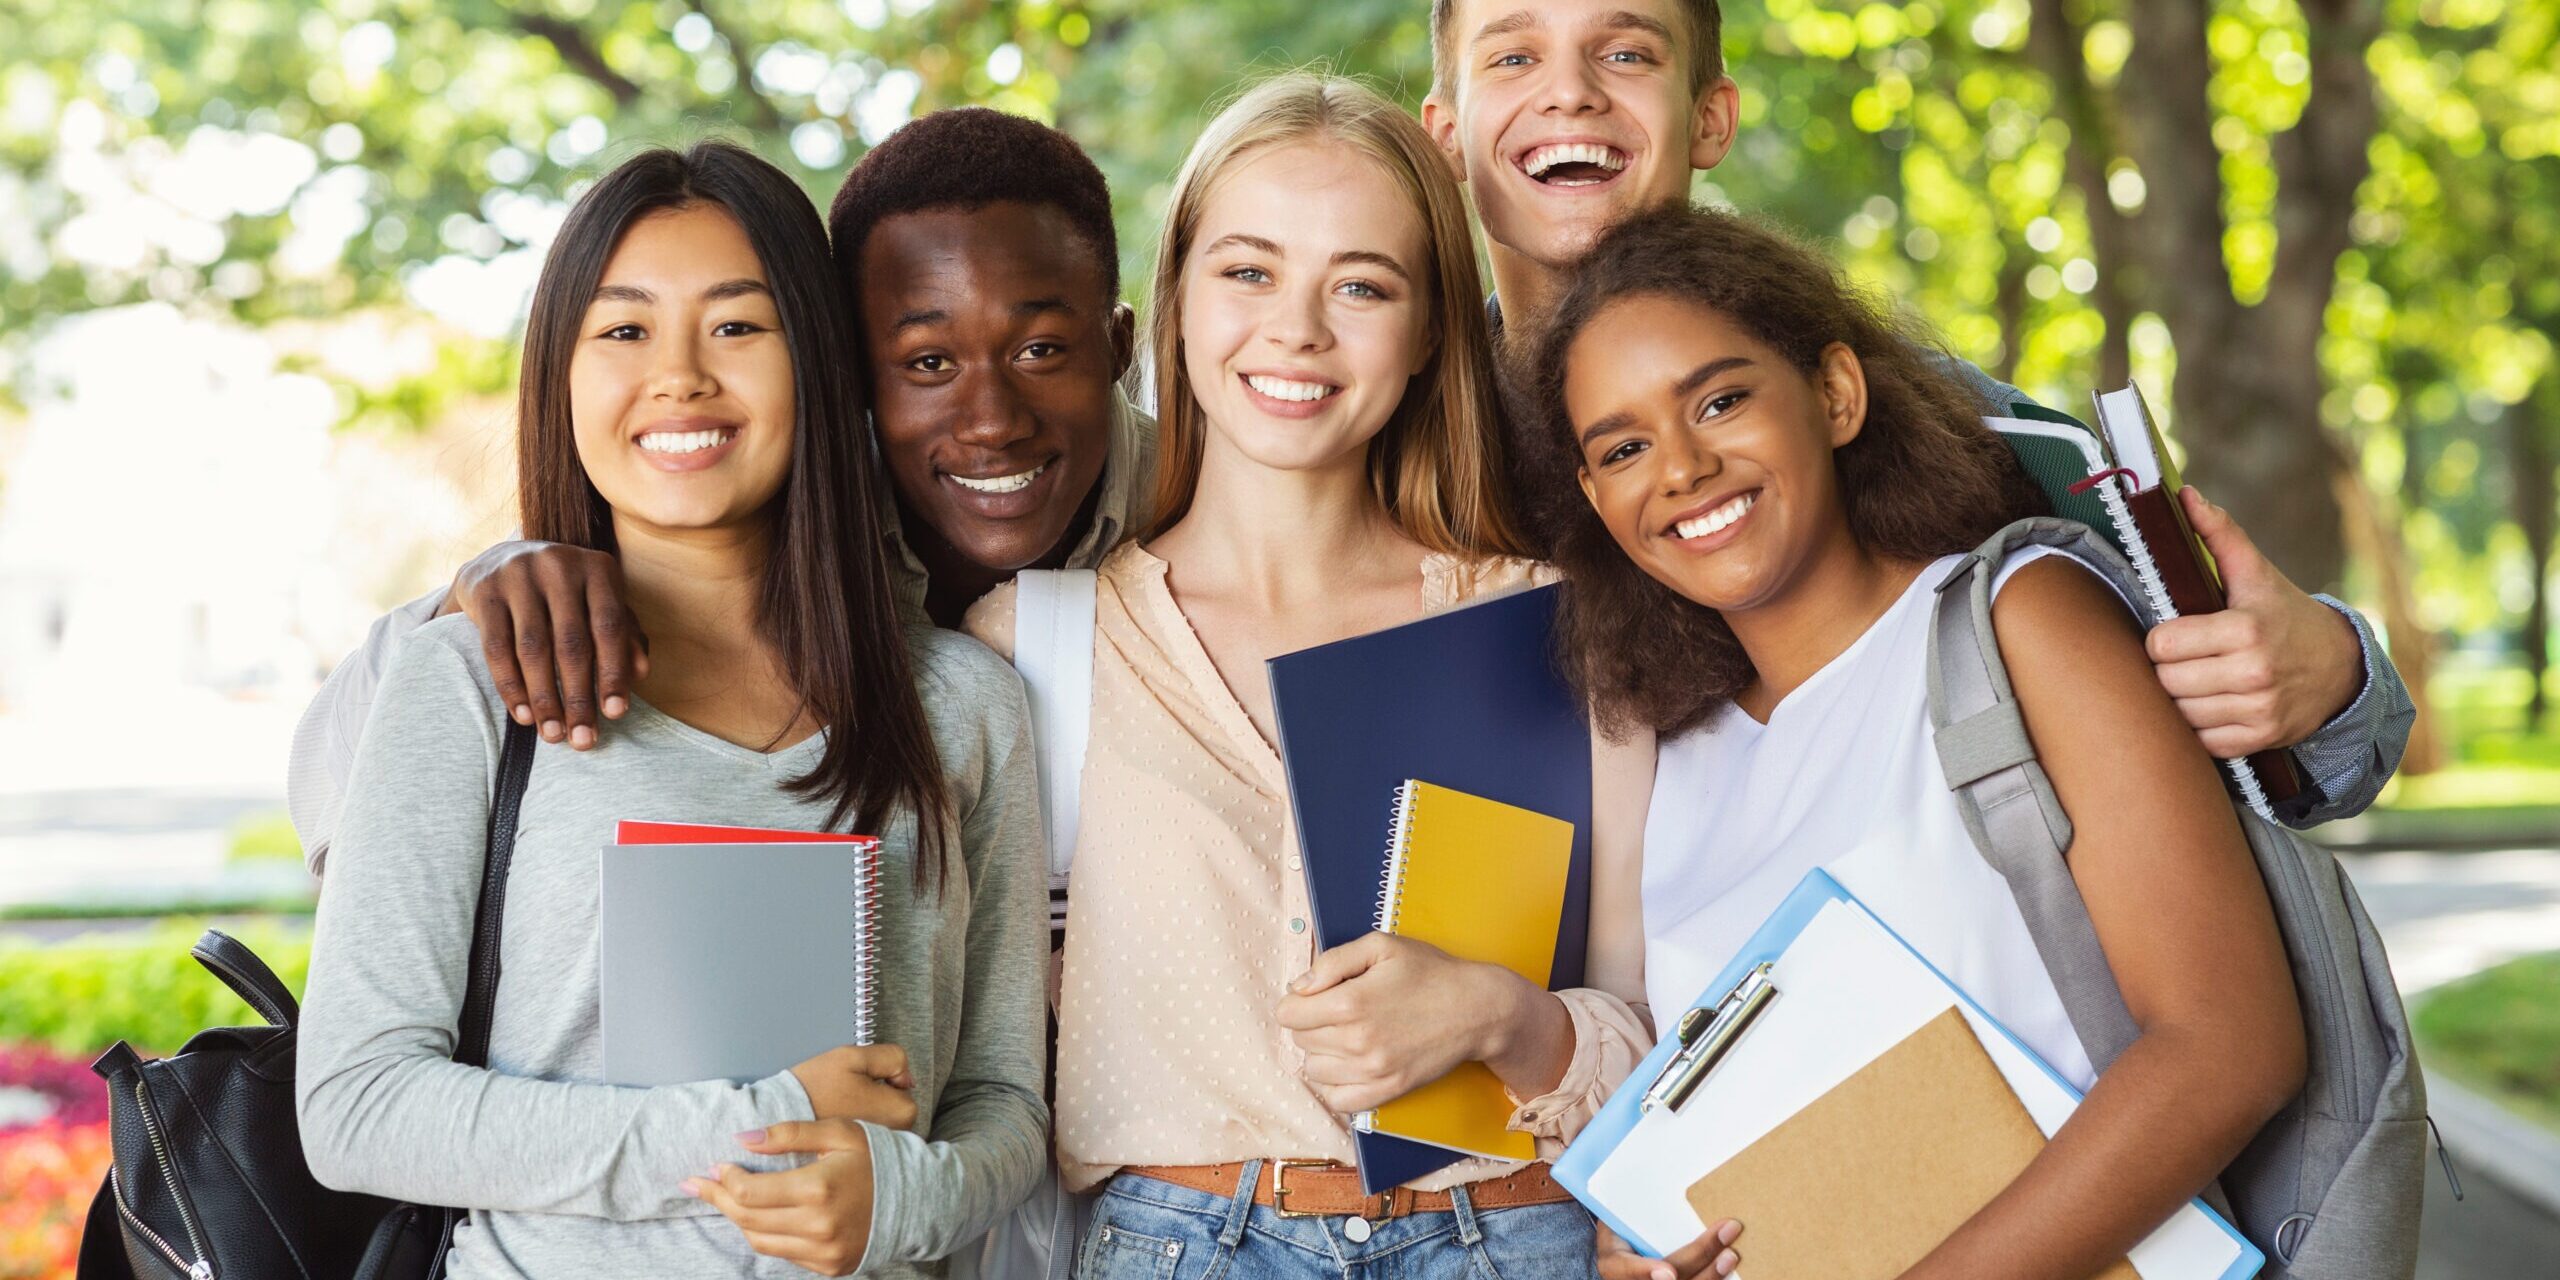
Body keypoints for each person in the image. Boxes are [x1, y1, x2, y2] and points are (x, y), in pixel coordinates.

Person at [293, 141, 1050, 1279]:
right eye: (625, 329)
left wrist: (902, 1194)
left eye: (738, 326)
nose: (682, 376)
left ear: (820, 362)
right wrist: (755, 1123)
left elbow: (1002, 1101)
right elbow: (354, 1103)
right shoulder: (471, 684)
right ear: (562, 369)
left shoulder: (961, 705)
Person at [1533, 204, 2308, 1280]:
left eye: (1719, 399)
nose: (1681, 467)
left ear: (1836, 393)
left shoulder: (2019, 618)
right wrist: (1647, 1241)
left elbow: (2229, 1047)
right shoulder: (1675, 756)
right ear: (1595, 494)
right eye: (1622, 446)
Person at [960, 73, 1651, 1278]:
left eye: (1362, 285)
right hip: (1175, 1240)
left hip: (1507, 1234)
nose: (1297, 330)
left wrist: (1505, 1017)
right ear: (1173, 298)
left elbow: (1660, 1038)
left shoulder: (1552, 625)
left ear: (1433, 325)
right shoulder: (1032, 648)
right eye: (1248, 270)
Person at [1415, 0, 2416, 824]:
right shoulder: (1382, 457)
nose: (1569, 90)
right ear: (1448, 135)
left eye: (1624, 49)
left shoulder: (1977, 441)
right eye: (1512, 54)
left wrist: (2325, 679)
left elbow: (2278, 773)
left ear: (1710, 118)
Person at [284, 109, 1151, 871]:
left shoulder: (1204, 509)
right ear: (845, 370)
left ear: (1117, 347)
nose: (991, 420)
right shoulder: (752, 523)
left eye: (1040, 351)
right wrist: (473, 598)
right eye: (926, 362)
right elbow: (336, 804)